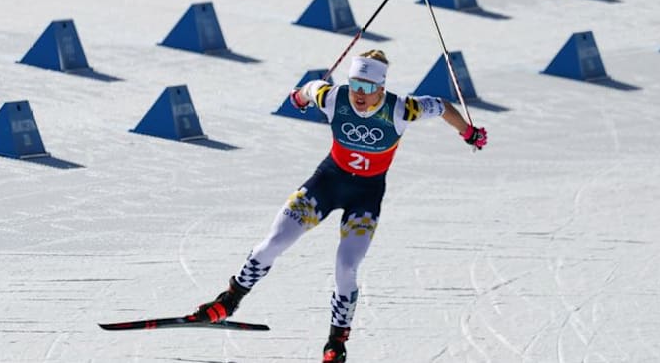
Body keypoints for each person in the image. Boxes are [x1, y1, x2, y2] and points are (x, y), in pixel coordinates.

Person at [193, 49, 487, 362]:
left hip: (366, 196)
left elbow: (441, 106)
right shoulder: (335, 97)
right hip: (327, 183)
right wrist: (300, 97)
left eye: (367, 88)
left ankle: (336, 341)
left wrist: (467, 131)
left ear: (381, 89)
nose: (359, 94)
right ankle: (230, 299)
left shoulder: (401, 109)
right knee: (274, 242)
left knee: (346, 267)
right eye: (355, 85)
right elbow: (309, 88)